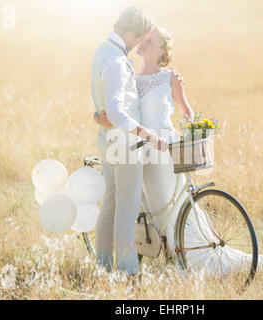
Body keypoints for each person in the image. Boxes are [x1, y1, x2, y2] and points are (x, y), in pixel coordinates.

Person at [94, 26, 263, 276]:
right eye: (143, 39)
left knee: (174, 204)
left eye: (150, 40)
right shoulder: (130, 80)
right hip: (142, 151)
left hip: (167, 151)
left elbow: (186, 112)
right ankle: (164, 253)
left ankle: (190, 256)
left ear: (161, 50)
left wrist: (196, 132)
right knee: (151, 208)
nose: (144, 42)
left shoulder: (170, 78)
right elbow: (121, 111)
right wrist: (101, 117)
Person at [90, 7, 168, 279]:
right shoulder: (117, 62)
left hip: (108, 142)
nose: (138, 44)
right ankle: (128, 274)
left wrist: (98, 115)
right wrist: (148, 134)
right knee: (126, 212)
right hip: (126, 147)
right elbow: (115, 110)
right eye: (139, 38)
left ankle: (102, 267)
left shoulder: (102, 50)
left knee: (109, 207)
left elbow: (103, 106)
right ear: (131, 33)